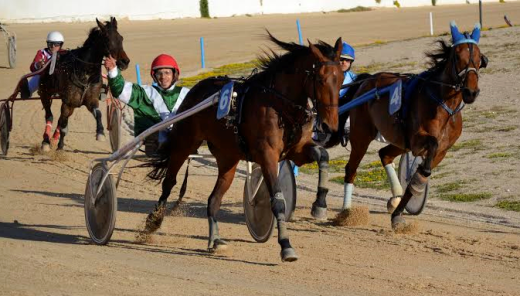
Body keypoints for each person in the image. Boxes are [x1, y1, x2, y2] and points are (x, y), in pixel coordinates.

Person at [104, 53, 190, 155]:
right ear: (154, 75)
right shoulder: (144, 92)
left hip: (182, 138)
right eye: (159, 73)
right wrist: (113, 70)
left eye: (167, 73)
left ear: (174, 74)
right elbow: (120, 89)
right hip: (155, 141)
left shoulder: (187, 93)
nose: (163, 77)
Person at [21, 31, 65, 99]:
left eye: (56, 44)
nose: (53, 46)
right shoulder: (42, 53)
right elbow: (32, 67)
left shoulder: (65, 53)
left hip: (59, 78)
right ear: (47, 44)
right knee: (38, 76)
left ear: (61, 45)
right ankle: (27, 92)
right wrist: (38, 65)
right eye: (50, 44)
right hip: (43, 78)